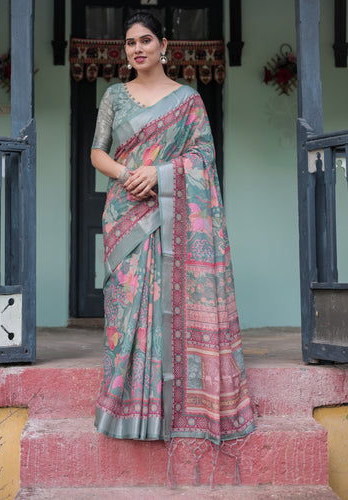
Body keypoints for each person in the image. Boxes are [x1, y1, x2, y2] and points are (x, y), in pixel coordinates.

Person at [91, 11, 254, 445]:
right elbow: (97, 153)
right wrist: (131, 176)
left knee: (171, 305)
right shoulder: (114, 96)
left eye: (146, 40)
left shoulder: (188, 101)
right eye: (130, 43)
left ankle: (172, 407)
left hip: (170, 210)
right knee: (126, 306)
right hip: (126, 210)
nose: (138, 48)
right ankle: (125, 408)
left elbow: (203, 156)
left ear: (165, 45)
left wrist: (160, 173)